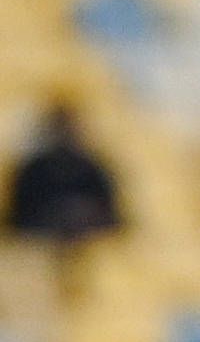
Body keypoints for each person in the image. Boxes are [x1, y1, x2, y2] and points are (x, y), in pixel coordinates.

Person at [8, 99, 120, 247]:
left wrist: (84, 217)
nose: (65, 135)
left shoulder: (93, 168)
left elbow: (116, 221)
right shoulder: (32, 171)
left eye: (69, 128)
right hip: (41, 249)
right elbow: (16, 224)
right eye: (59, 128)